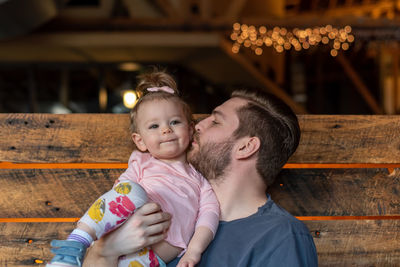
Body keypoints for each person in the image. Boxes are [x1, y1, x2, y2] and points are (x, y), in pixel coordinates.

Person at [83, 72, 318, 266]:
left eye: (215, 121)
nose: (196, 125)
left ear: (246, 146)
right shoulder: (168, 212)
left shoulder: (280, 237)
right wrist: (106, 252)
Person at [47, 71, 220, 267]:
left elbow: (208, 218)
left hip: (151, 260)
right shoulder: (141, 162)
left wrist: (193, 251)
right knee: (130, 190)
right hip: (125, 232)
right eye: (154, 126)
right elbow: (120, 193)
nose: (166, 129)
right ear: (140, 141)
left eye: (175, 122)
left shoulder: (200, 180)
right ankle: (77, 242)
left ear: (189, 130)